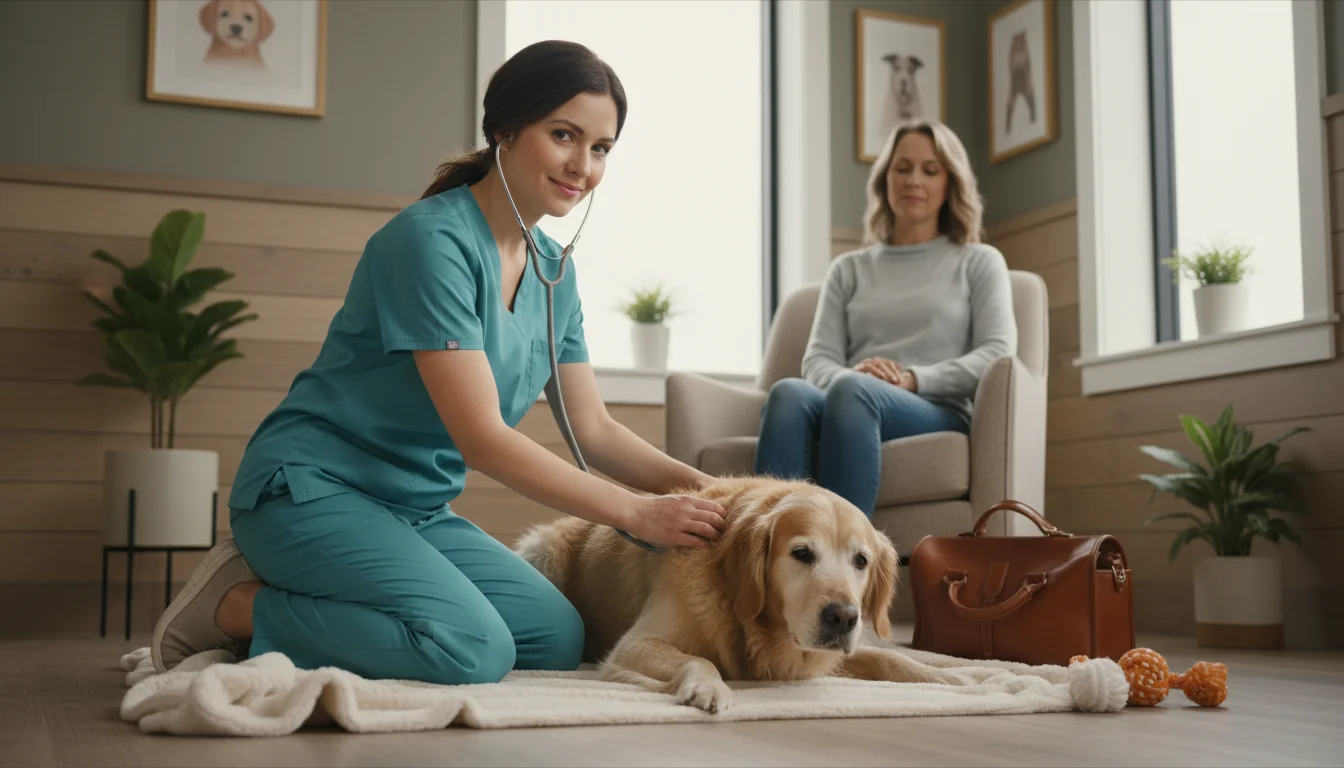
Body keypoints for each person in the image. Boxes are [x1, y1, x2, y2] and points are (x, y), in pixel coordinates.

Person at [149, 40, 727, 684]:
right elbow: (481, 438)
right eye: (564, 135)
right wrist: (634, 514)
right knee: (472, 648)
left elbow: (595, 432)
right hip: (311, 491)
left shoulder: (555, 274)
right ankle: (233, 608)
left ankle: (340, 599)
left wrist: (720, 495)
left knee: (555, 635)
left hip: (414, 510)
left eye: (600, 148)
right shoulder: (430, 242)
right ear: (505, 129)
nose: (582, 166)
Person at [752, 121, 1017, 517]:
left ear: (950, 184)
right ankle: (761, 555)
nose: (914, 180)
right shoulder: (848, 269)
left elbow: (997, 353)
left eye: (930, 170)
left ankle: (848, 561)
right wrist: (855, 376)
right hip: (851, 394)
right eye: (902, 168)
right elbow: (817, 360)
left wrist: (911, 378)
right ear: (884, 180)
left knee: (853, 391)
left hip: (935, 407)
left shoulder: (978, 261)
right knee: (789, 393)